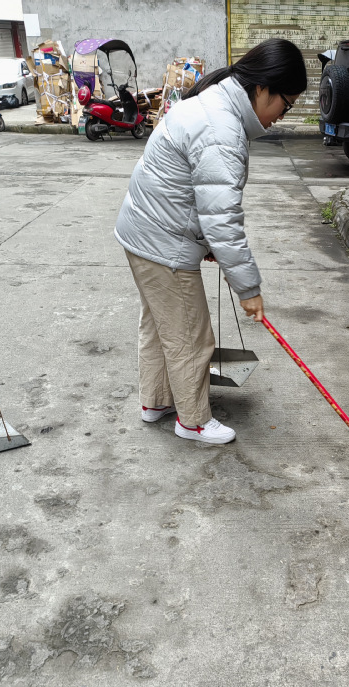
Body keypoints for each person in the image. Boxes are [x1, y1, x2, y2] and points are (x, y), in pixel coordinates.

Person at [115, 39, 307, 444]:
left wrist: (204, 241)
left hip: (143, 232)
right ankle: (194, 421)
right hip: (162, 242)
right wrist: (248, 289)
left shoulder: (213, 102)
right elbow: (223, 220)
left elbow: (196, 194)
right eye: (285, 105)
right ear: (262, 88)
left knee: (161, 325)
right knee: (190, 335)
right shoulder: (222, 128)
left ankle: (156, 402)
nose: (281, 116)